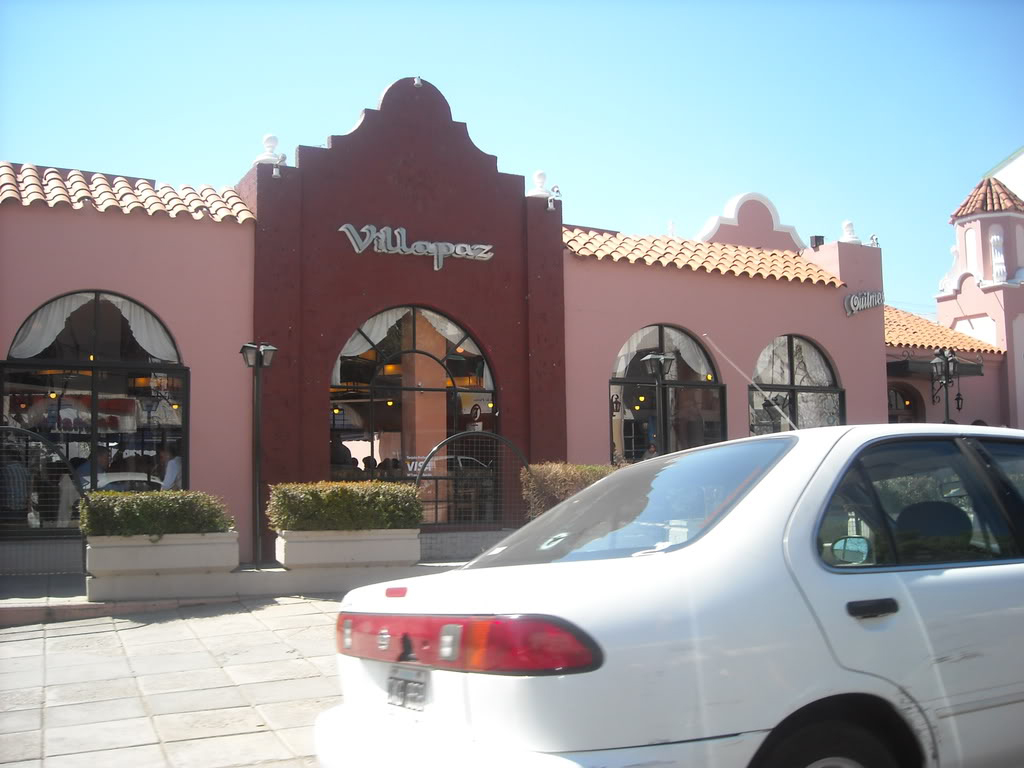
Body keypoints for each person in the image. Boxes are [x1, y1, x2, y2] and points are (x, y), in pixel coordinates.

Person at [0, 446, 31, 528]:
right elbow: (29, 490)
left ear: (8, 456)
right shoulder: (25, 470)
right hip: (22, 510)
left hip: (8, 511)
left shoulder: (5, 470)